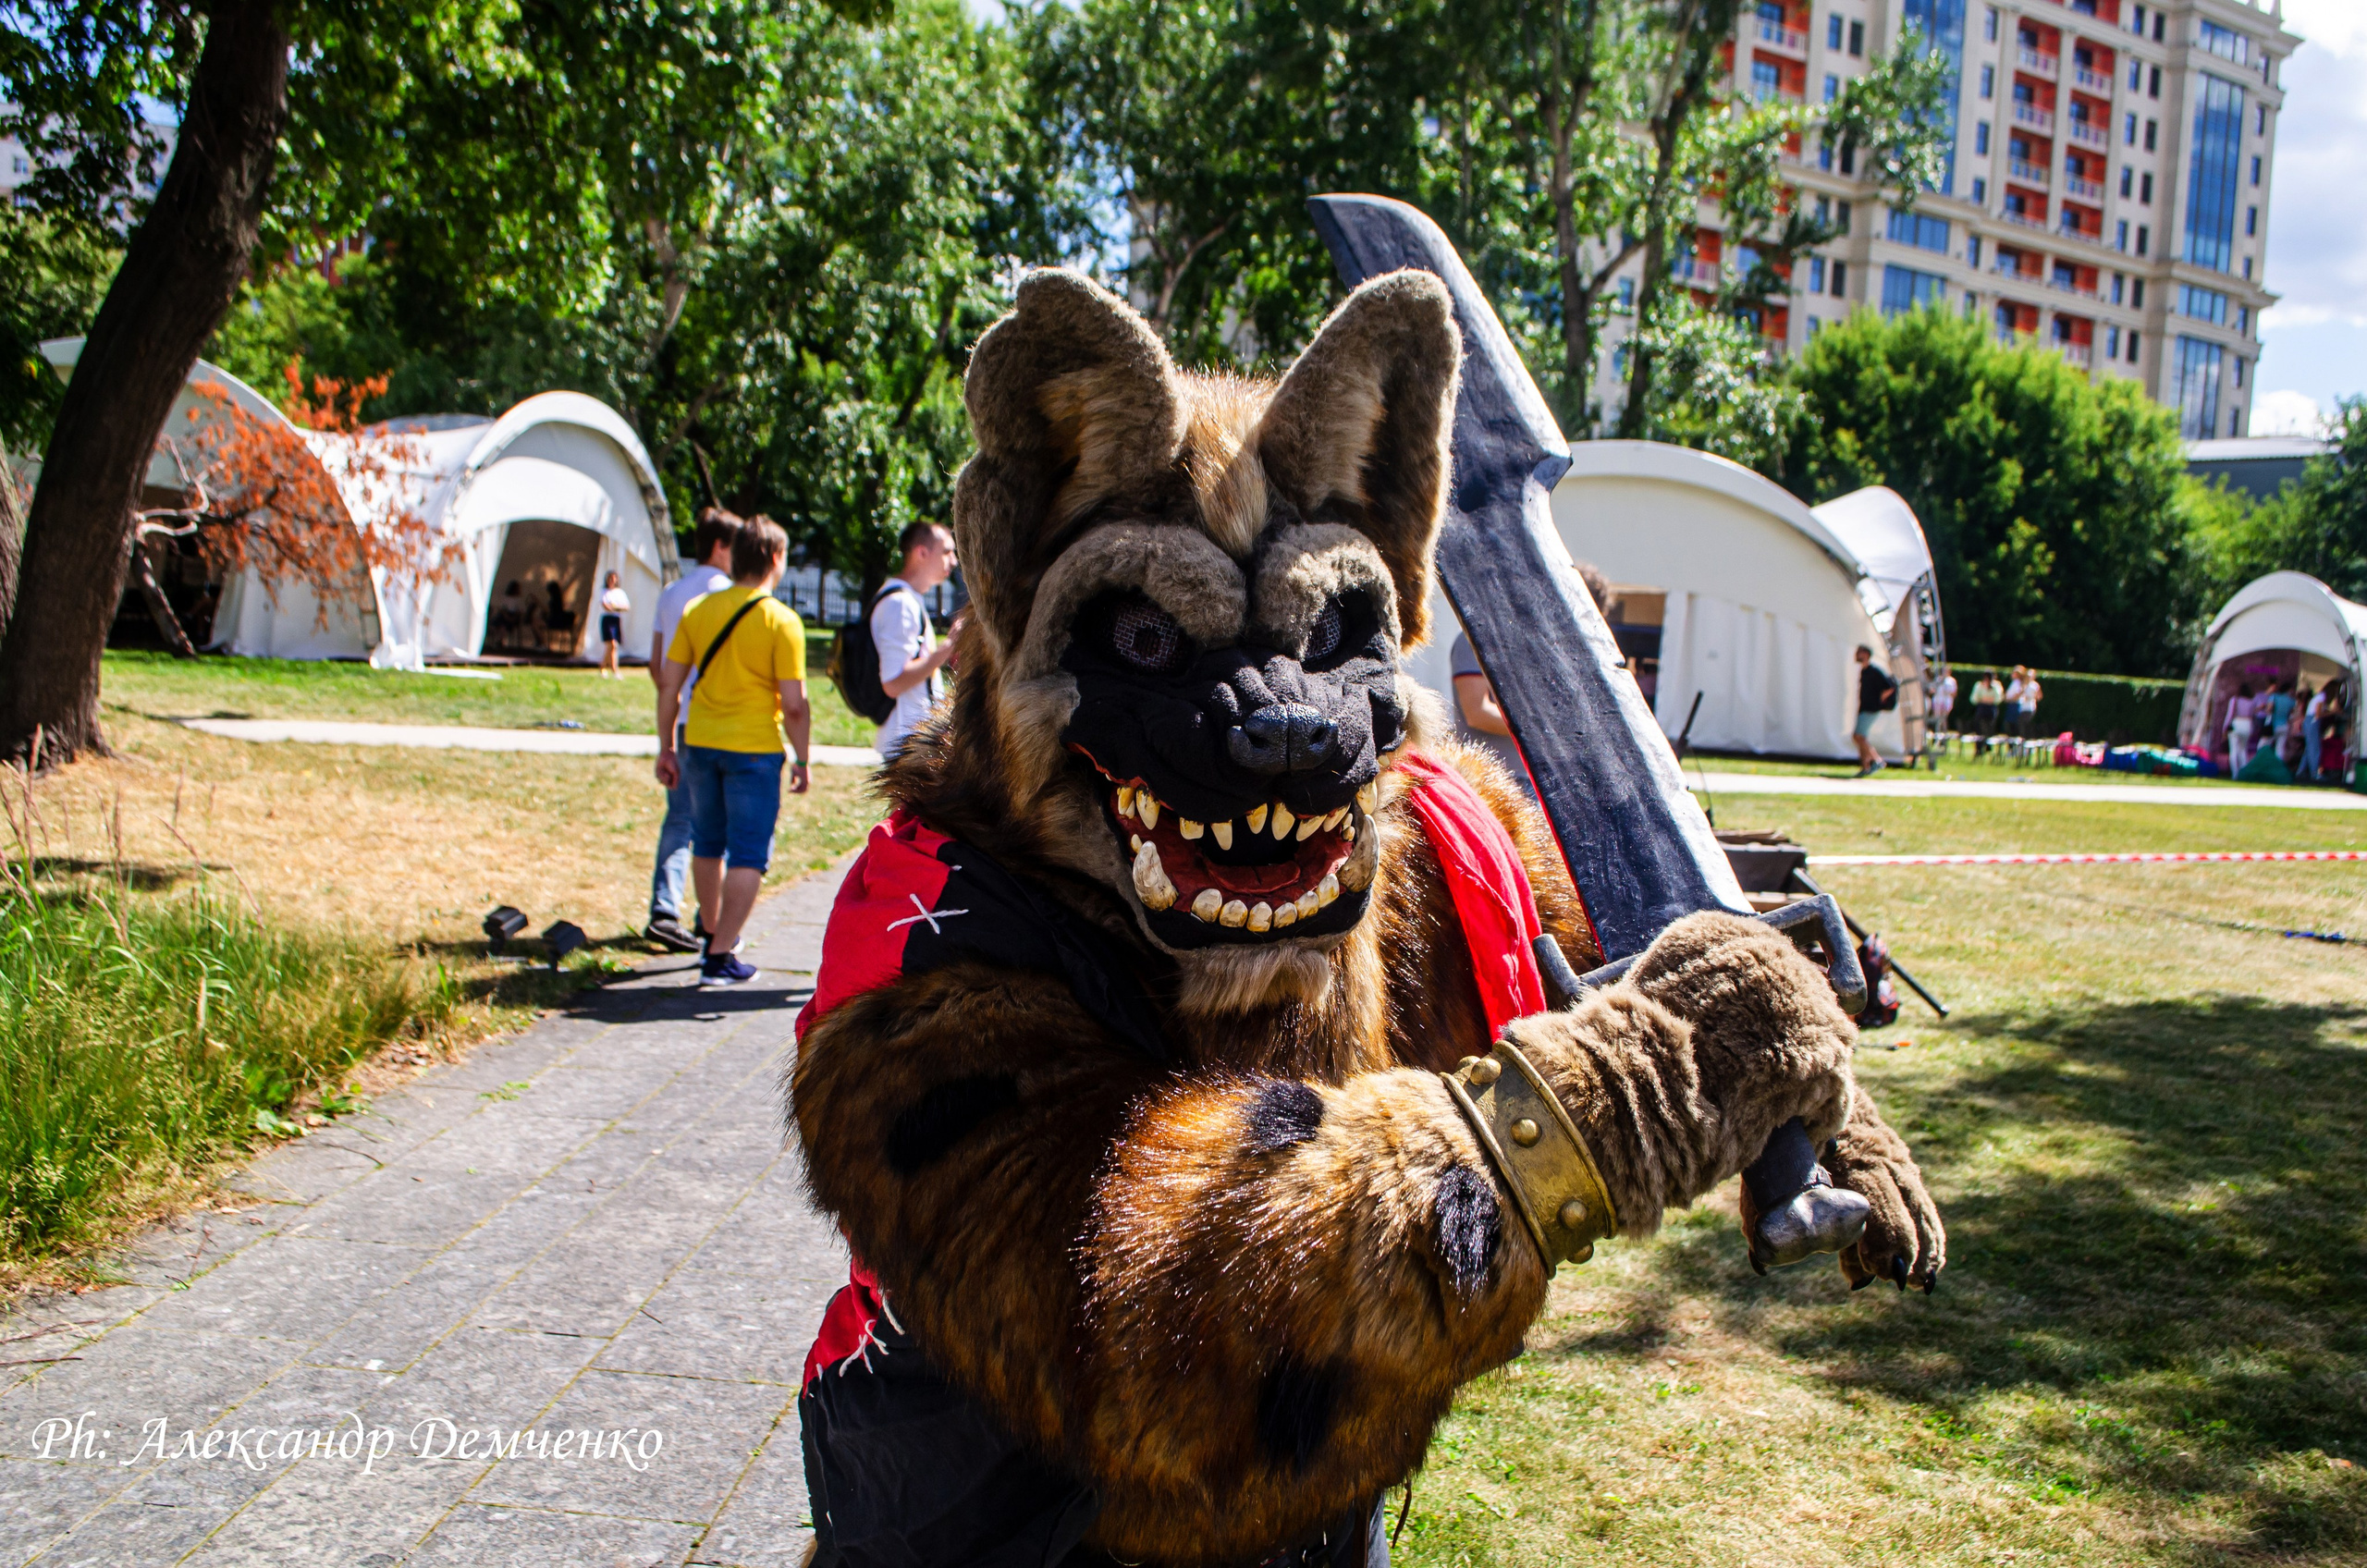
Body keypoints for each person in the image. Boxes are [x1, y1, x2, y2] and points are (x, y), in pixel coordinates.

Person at [656, 514, 810, 986]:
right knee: (748, 853)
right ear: (775, 558)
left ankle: (711, 934)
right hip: (754, 750)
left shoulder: (698, 610)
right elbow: (795, 705)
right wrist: (803, 758)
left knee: (706, 842)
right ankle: (721, 956)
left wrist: (665, 747)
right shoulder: (781, 621)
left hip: (699, 742)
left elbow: (669, 686)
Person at [642, 510, 742, 953]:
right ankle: (712, 920)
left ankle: (664, 909)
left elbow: (658, 666)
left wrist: (669, 723)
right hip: (718, 724)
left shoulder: (671, 592)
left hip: (681, 721)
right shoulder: (727, 595)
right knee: (720, 826)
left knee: (680, 819)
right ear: (721, 547)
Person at [871, 521, 962, 760]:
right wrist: (948, 646)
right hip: (905, 744)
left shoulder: (907, 599)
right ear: (921, 553)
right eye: (947, 552)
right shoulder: (900, 604)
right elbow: (893, 683)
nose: (953, 561)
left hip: (910, 742)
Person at [1448, 631, 1533, 798]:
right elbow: (1477, 713)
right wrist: (1540, 733)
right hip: (1489, 782)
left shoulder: (1530, 640)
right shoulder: (1472, 638)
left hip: (1534, 779)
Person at [1852, 643, 1896, 776]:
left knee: (1859, 736)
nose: (1856, 655)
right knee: (1860, 737)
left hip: (1871, 708)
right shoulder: (1864, 671)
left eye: (1859, 652)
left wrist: (1881, 698)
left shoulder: (1874, 671)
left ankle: (1876, 760)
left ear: (1866, 654)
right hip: (1864, 708)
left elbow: (1890, 686)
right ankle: (1866, 766)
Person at [598, 570, 631, 678]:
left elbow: (626, 606)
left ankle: (603, 667)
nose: (611, 580)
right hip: (607, 619)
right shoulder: (604, 591)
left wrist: (615, 607)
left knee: (613, 645)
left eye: (613, 578)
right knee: (611, 644)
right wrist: (616, 607)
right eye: (609, 578)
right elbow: (606, 606)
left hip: (616, 620)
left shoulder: (620, 592)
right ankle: (614, 669)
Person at [2226, 681, 2257, 773]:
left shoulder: (2234, 700)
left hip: (2237, 723)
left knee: (2234, 750)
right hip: (2247, 724)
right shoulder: (2251, 702)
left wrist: (2225, 727)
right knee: (2243, 750)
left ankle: (2235, 772)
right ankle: (2244, 771)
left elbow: (2229, 715)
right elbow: (2253, 716)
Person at [1969, 668, 2005, 750]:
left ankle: (1988, 747)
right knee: (1979, 729)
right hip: (1981, 709)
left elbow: (1998, 699)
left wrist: (1986, 698)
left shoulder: (1996, 686)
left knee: (1989, 729)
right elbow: (1974, 699)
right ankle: (1979, 748)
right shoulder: (1979, 685)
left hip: (1991, 710)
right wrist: (1985, 698)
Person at [1929, 664, 1957, 738]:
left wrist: (1947, 692)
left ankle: (1943, 735)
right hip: (1937, 701)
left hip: (1946, 701)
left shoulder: (1952, 681)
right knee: (1936, 719)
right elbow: (1933, 690)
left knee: (1943, 719)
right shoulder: (1938, 679)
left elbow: (1954, 693)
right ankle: (1935, 734)